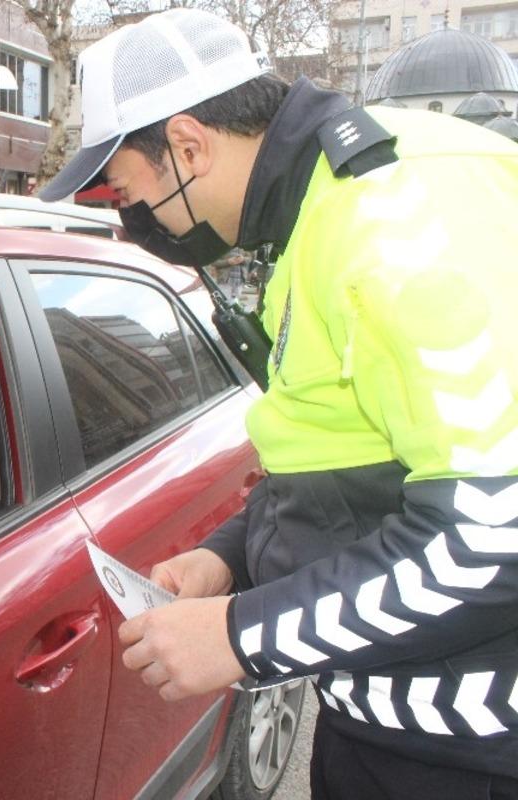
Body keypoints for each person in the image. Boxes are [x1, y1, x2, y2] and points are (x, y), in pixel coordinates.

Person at [41, 8, 518, 799]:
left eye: (129, 191)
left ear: (189, 146)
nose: (138, 222)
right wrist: (233, 551)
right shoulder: (326, 205)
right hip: (387, 721)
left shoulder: (393, 226)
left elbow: (490, 532)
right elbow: (342, 457)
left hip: (464, 750)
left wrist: (242, 637)